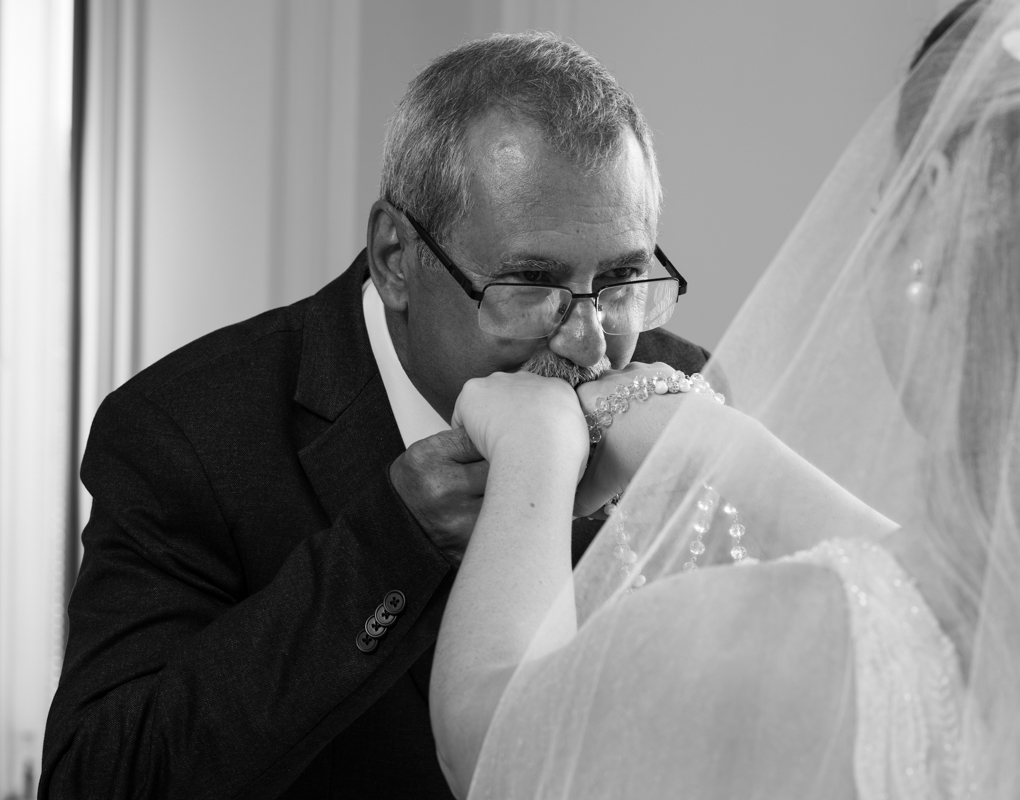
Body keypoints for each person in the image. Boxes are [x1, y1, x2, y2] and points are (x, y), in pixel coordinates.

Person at [429, 0, 1020, 797]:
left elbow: (491, 745)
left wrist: (535, 454)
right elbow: (934, 596)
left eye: (884, 204)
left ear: (937, 207)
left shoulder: (758, 648)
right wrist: (702, 442)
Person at [39, 33, 711, 798]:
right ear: (396, 258)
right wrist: (390, 546)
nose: (590, 343)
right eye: (531, 282)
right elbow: (98, 780)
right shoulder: (186, 432)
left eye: (621, 279)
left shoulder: (680, 394)